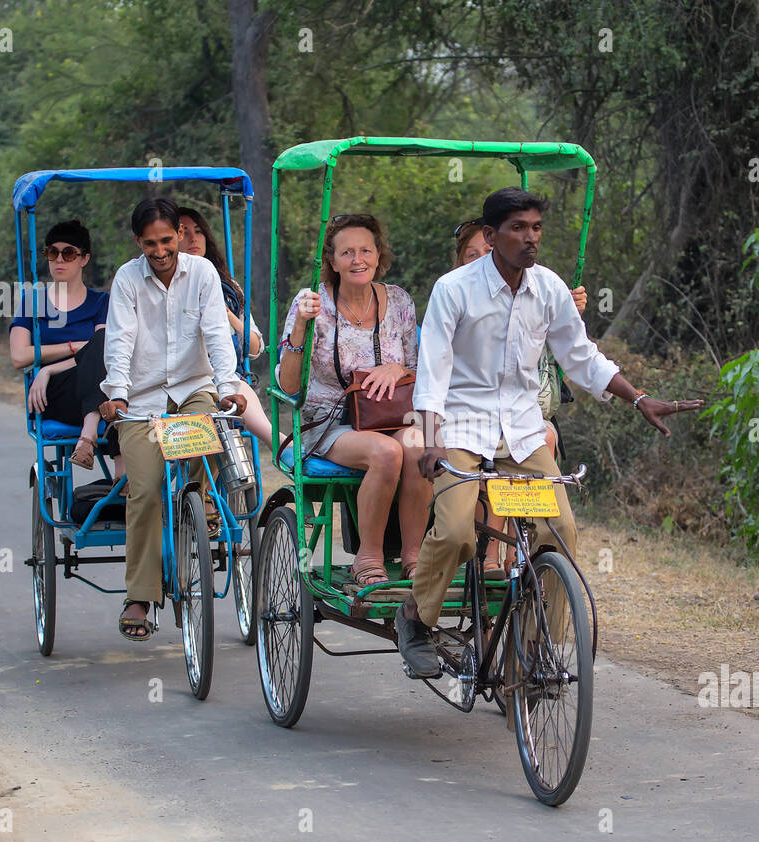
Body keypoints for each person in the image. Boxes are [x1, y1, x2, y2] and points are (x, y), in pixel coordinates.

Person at [395, 187, 705, 678]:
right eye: (518, 228)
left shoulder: (549, 289)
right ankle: (415, 617)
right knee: (456, 532)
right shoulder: (454, 289)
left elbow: (580, 358)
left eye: (536, 228)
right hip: (460, 427)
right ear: (492, 235)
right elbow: (432, 373)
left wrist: (639, 398)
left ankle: (536, 649)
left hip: (522, 430)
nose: (530, 238)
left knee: (560, 529)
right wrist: (431, 441)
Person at [97, 197, 246, 640]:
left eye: (166, 240)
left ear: (179, 236)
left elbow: (218, 333)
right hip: (140, 400)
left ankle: (198, 505)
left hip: (192, 390)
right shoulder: (127, 279)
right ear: (137, 242)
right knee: (143, 490)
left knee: (204, 438)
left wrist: (229, 388)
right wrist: (118, 394)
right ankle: (140, 595)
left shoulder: (202, 274)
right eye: (150, 244)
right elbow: (120, 340)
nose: (160, 251)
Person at [278, 213, 429, 588]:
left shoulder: (399, 301)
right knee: (386, 453)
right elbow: (290, 386)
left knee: (417, 445)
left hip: (388, 416)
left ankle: (414, 557)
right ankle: (369, 557)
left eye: (365, 250)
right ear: (332, 261)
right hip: (328, 421)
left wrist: (395, 370)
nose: (357, 259)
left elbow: (416, 369)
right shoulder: (313, 303)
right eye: (347, 252)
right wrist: (300, 325)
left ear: (379, 255)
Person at [452, 216, 587, 578]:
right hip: (466, 418)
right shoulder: (456, 298)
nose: (484, 259)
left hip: (525, 416)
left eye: (489, 251)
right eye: (472, 255)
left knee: (539, 437)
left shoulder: (534, 295)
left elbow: (576, 354)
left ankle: (521, 553)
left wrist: (568, 314)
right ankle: (492, 547)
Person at [8, 220, 121, 474]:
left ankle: (97, 447)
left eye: (68, 253)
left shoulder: (101, 302)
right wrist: (74, 348)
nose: (59, 259)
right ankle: (93, 437)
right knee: (105, 374)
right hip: (53, 391)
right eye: (53, 252)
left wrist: (49, 367)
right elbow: (19, 356)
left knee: (108, 357)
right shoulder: (32, 301)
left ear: (84, 258)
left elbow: (104, 351)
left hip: (99, 387)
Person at [176, 208, 277, 449]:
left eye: (198, 231)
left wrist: (226, 314)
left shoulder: (229, 289)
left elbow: (254, 348)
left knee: (232, 384)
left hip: (226, 376)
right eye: (184, 232)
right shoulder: (170, 288)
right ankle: (279, 444)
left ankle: (278, 444)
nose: (192, 239)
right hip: (187, 376)